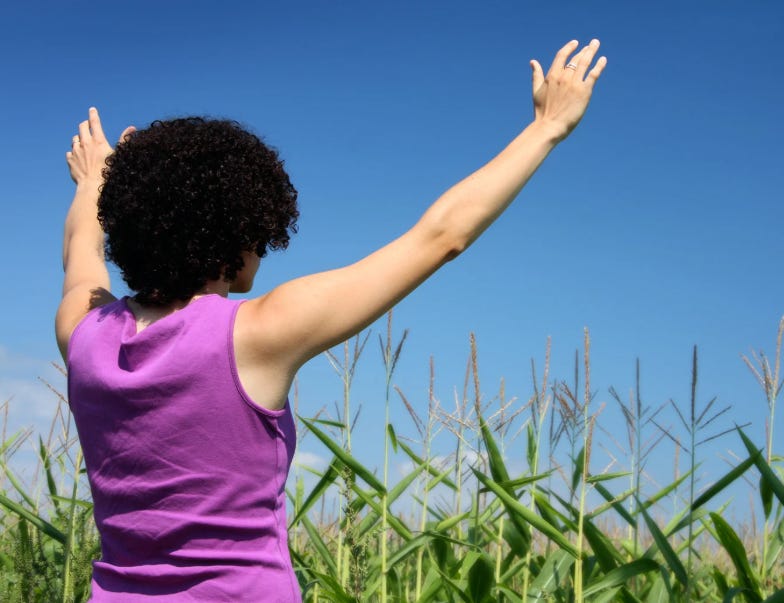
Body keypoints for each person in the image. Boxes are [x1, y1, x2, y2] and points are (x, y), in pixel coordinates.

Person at [57, 39, 606, 602]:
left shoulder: (83, 334)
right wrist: (547, 128)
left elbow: (81, 253)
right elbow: (441, 237)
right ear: (237, 229)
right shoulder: (257, 333)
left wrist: (96, 182)